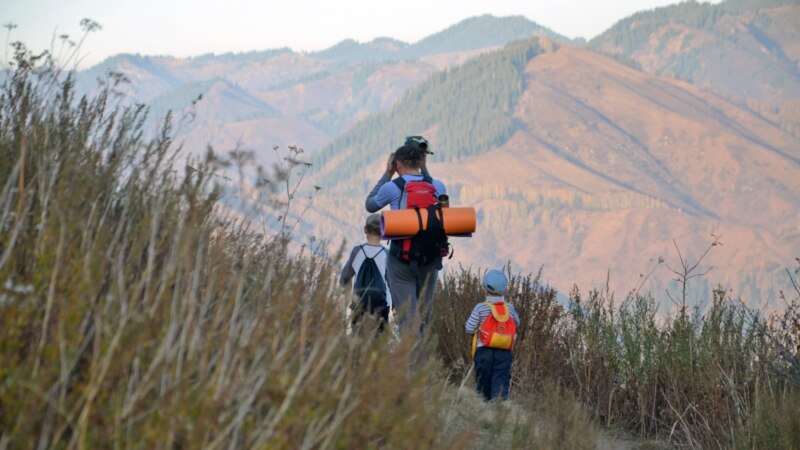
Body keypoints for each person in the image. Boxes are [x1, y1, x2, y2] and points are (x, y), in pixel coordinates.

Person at [365, 136, 446, 327]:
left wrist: (387, 173)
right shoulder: (438, 186)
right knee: (423, 318)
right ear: (420, 161)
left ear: (398, 164)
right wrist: (424, 168)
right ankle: (422, 356)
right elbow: (444, 214)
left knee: (407, 320)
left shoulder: (392, 187)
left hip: (401, 259)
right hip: (430, 259)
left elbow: (370, 204)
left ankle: (408, 355)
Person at [465, 269, 520, 401]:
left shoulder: (480, 307)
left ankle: (483, 415)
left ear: (485, 289)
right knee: (500, 385)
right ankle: (498, 415)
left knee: (482, 387)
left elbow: (469, 328)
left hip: (484, 352)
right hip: (505, 353)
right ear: (504, 290)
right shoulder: (510, 308)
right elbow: (517, 323)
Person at [340, 213, 391, 331]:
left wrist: (348, 295)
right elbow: (392, 283)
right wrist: (395, 305)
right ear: (383, 232)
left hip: (359, 306)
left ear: (365, 230)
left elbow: (345, 278)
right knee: (379, 344)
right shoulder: (386, 254)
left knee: (357, 343)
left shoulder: (357, 251)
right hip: (381, 307)